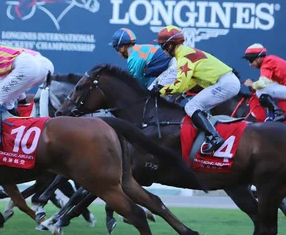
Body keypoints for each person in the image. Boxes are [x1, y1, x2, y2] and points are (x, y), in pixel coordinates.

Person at [155, 25, 240, 154]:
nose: (163, 50)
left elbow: (180, 84)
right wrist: (181, 93)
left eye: (162, 46)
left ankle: (215, 137)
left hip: (226, 83)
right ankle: (208, 134)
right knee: (196, 107)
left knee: (191, 107)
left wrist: (161, 91)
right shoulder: (185, 53)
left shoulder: (183, 57)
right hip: (226, 81)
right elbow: (191, 80)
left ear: (170, 45)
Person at [109, 27, 174, 88]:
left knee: (152, 96)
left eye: (117, 49)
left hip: (175, 66)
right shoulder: (139, 50)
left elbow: (137, 88)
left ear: (122, 48)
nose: (118, 53)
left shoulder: (133, 58)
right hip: (175, 64)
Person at [242, 43, 286, 121]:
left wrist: (251, 84)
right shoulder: (271, 59)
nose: (250, 64)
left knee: (260, 91)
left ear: (259, 58)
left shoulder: (267, 62)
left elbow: (263, 84)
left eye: (251, 60)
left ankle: (278, 113)